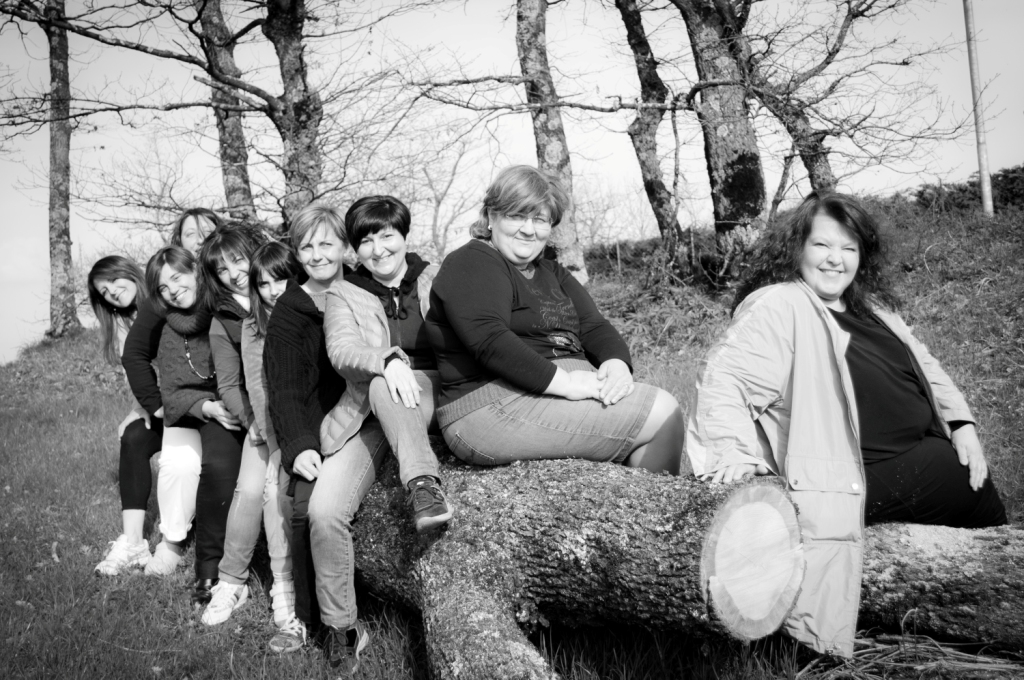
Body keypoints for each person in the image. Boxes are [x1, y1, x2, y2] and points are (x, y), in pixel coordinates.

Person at [685, 191, 1006, 657]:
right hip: (848, 475)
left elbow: (928, 367)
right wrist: (730, 452)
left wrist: (962, 424)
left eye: (848, 248)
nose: (835, 259)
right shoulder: (783, 305)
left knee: (987, 534)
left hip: (919, 458)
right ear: (797, 249)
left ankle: (982, 618)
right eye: (822, 245)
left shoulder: (871, 306)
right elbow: (724, 378)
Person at [426, 165, 686, 474]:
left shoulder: (552, 272)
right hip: (493, 406)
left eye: (540, 219)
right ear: (491, 216)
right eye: (516, 216)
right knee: (662, 412)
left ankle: (643, 498)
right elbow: (490, 341)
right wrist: (567, 383)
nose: (529, 230)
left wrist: (616, 363)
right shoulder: (473, 261)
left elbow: (594, 326)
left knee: (654, 418)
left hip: (547, 393)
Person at [263, 203, 371, 675]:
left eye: (327, 243)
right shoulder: (291, 310)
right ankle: (317, 621)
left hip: (371, 415)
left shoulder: (364, 290)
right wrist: (300, 445)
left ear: (345, 247)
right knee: (305, 507)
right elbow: (284, 389)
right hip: (319, 427)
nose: (317, 254)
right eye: (306, 246)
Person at [122, 246, 245, 604]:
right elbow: (148, 367)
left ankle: (216, 560)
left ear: (195, 270)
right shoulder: (169, 326)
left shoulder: (224, 306)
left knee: (215, 465)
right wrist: (164, 406)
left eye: (177, 278)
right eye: (163, 287)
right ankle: (172, 542)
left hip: (228, 407)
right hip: (189, 409)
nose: (173, 290)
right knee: (177, 464)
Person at [88, 256, 159, 575]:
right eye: (104, 291)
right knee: (133, 437)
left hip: (193, 400)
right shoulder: (120, 324)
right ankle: (133, 543)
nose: (112, 292)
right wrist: (139, 407)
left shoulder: (163, 299)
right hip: (159, 404)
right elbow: (138, 376)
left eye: (114, 281)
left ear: (129, 273)